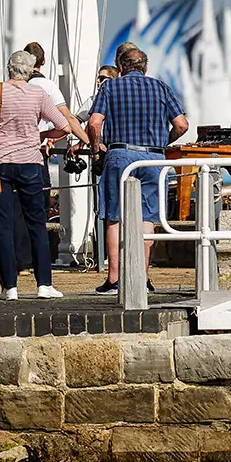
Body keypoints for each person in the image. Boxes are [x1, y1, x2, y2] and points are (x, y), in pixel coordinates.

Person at [0, 51, 82, 300]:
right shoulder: (38, 94)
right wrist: (41, 137)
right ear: (31, 69)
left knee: (3, 224)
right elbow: (64, 126)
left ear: (9, 68)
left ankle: (9, 287)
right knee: (37, 224)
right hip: (31, 163)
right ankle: (44, 284)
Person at [86, 48, 189, 295]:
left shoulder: (110, 88)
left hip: (120, 154)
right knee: (147, 217)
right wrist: (164, 141)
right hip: (153, 158)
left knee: (114, 216)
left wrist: (95, 147)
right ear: (145, 67)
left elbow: (93, 122)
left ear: (120, 67)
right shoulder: (161, 88)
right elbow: (182, 125)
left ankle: (114, 279)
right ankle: (142, 278)